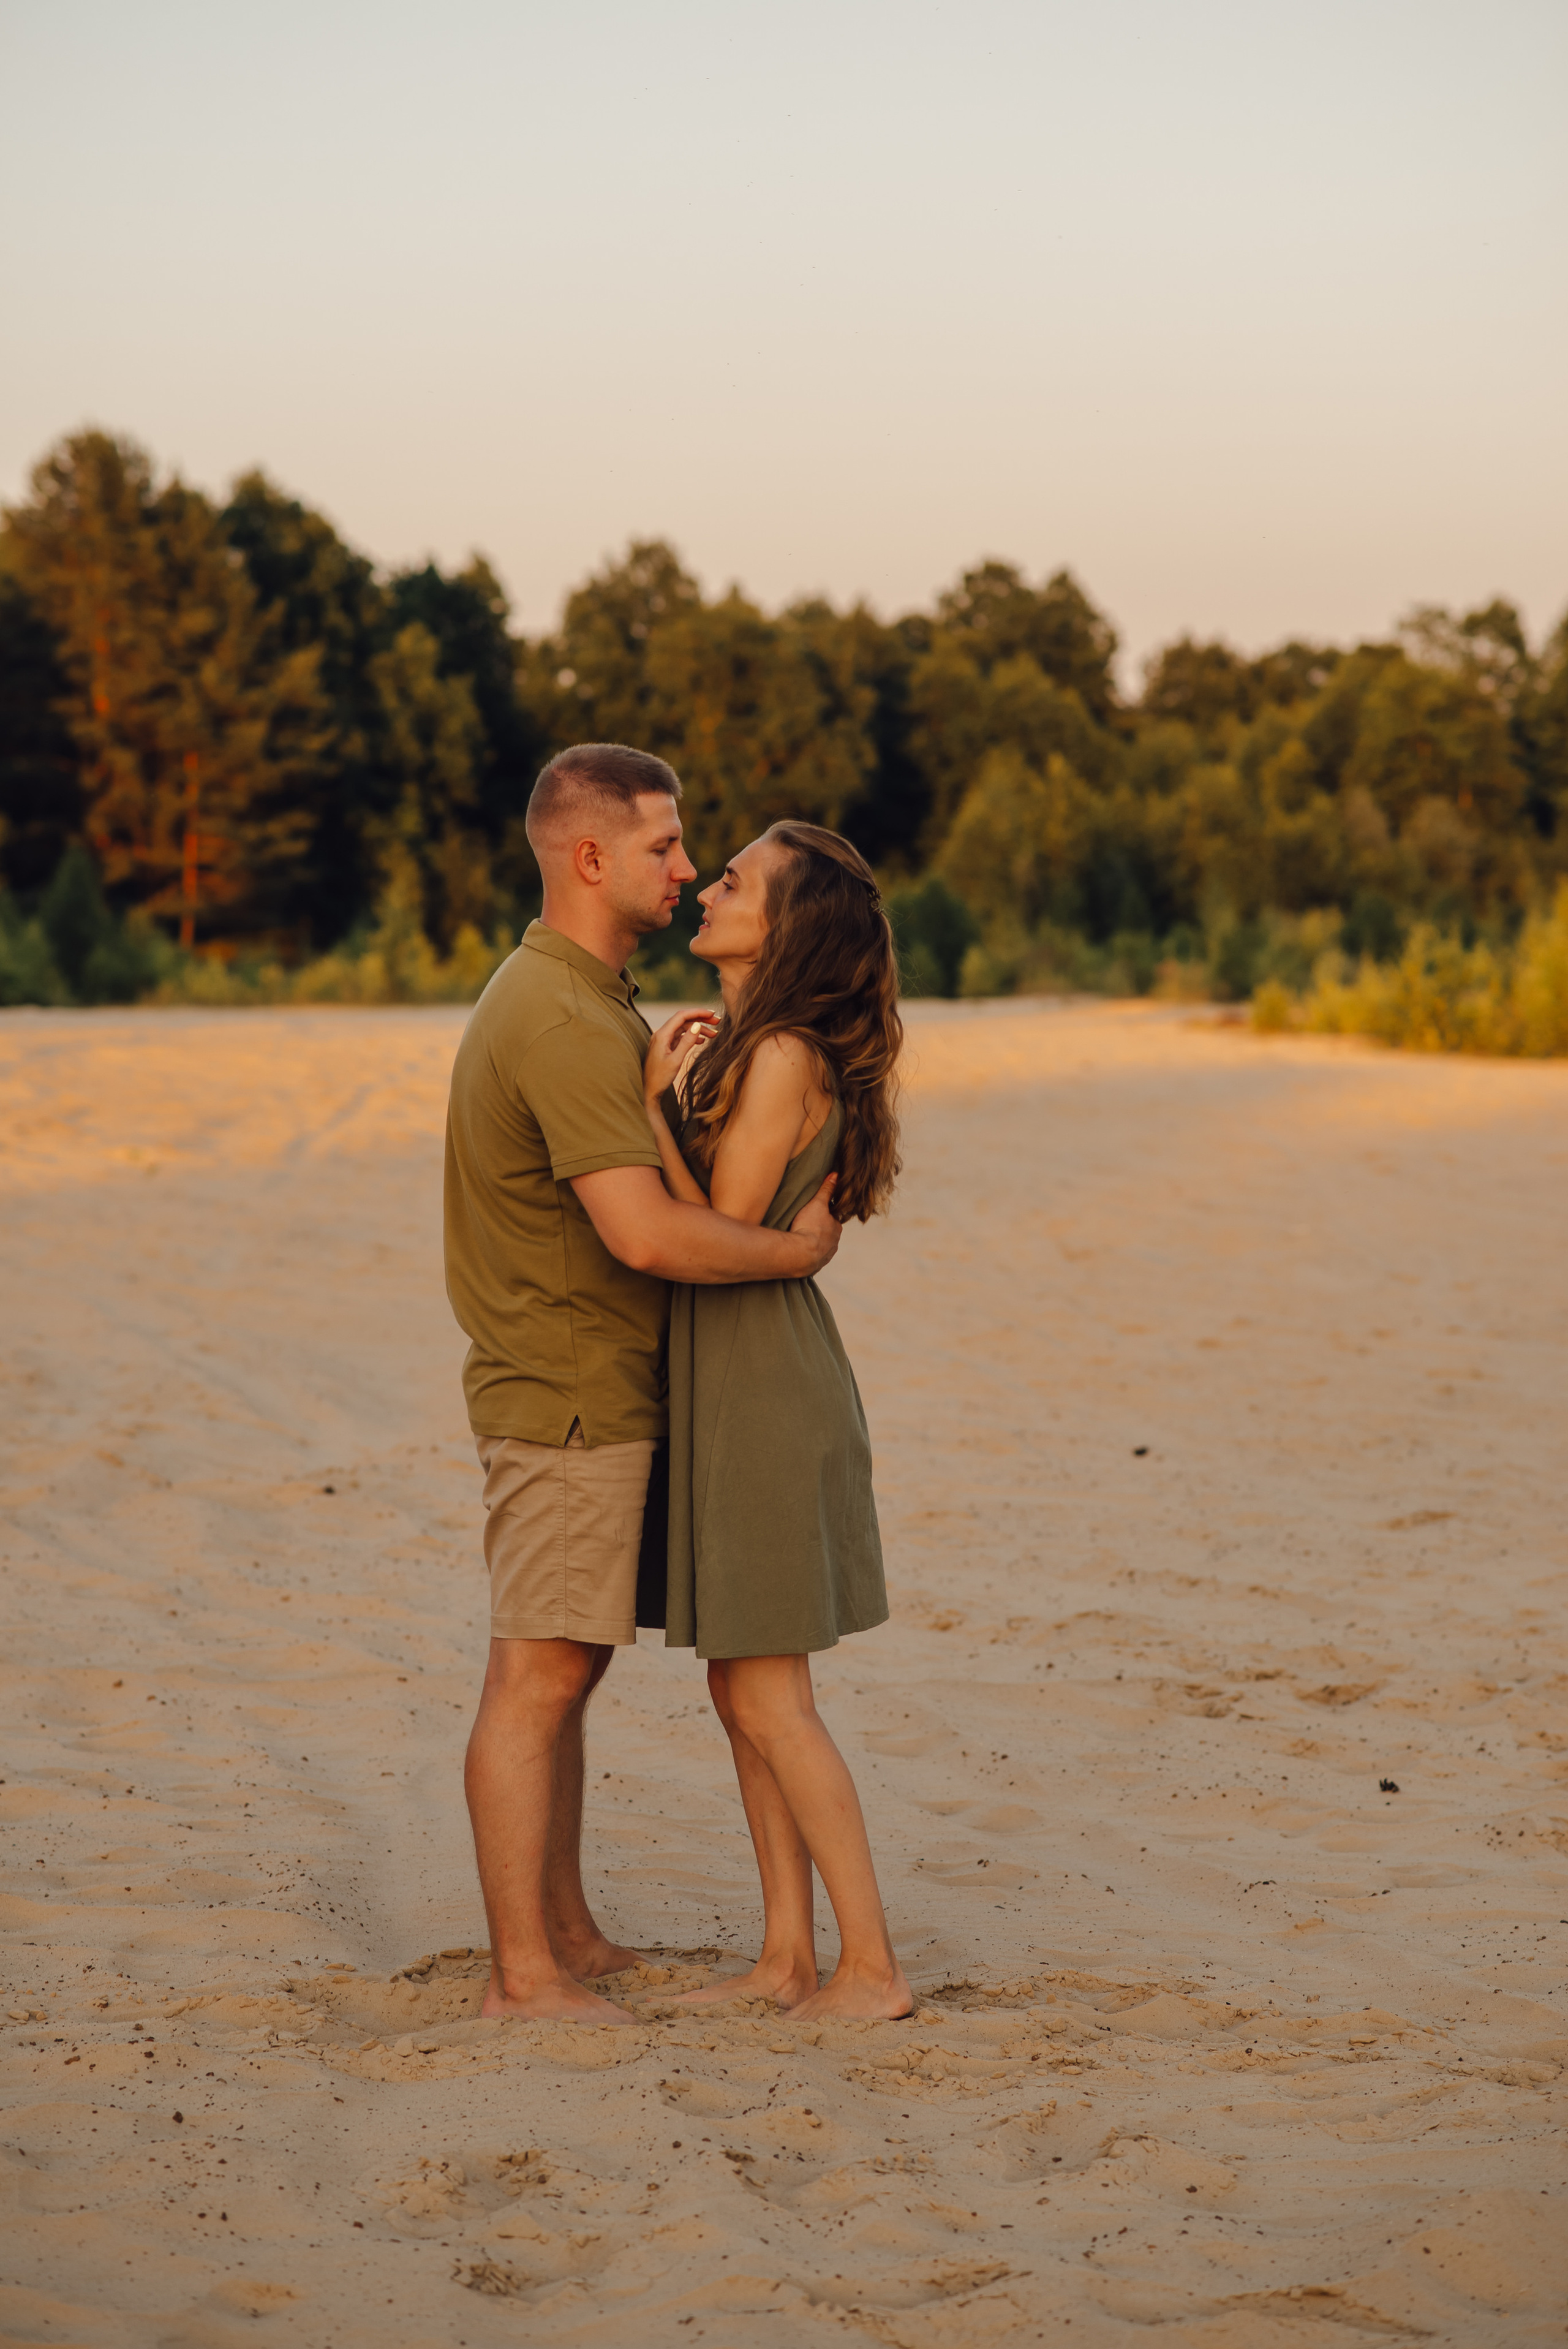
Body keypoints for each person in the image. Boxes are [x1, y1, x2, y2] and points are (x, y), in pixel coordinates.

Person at [443, 746, 843, 2027]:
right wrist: (791, 1253)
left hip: (589, 1385)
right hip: (566, 1391)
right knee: (537, 1678)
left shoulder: (585, 1002)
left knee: (567, 1671)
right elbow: (645, 1235)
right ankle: (524, 1980)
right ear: (589, 857)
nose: (685, 867)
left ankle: (563, 1934)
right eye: (668, 848)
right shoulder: (560, 1016)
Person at [639, 822, 913, 2022]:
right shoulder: (756, 1049)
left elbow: (715, 1231)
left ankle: (871, 1971)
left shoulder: (783, 1054)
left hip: (756, 1380)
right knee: (736, 1685)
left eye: (735, 879)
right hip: (732, 1373)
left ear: (788, 925)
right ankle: (784, 1960)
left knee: (767, 1696)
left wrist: (650, 1110)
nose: (705, 883)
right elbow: (765, 1234)